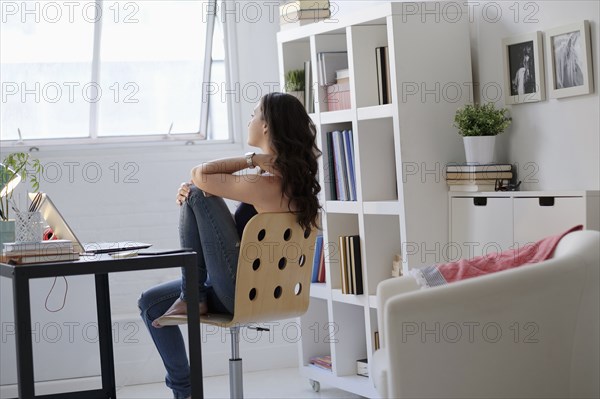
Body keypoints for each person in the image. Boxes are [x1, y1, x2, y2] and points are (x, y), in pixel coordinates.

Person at [137, 92, 321, 399]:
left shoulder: (267, 185)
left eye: (254, 114)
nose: (249, 119)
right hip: (262, 291)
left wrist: (248, 160)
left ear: (267, 127)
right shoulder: (286, 183)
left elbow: (199, 174)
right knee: (150, 303)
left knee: (196, 192)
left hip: (242, 293)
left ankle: (191, 299)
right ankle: (184, 388)